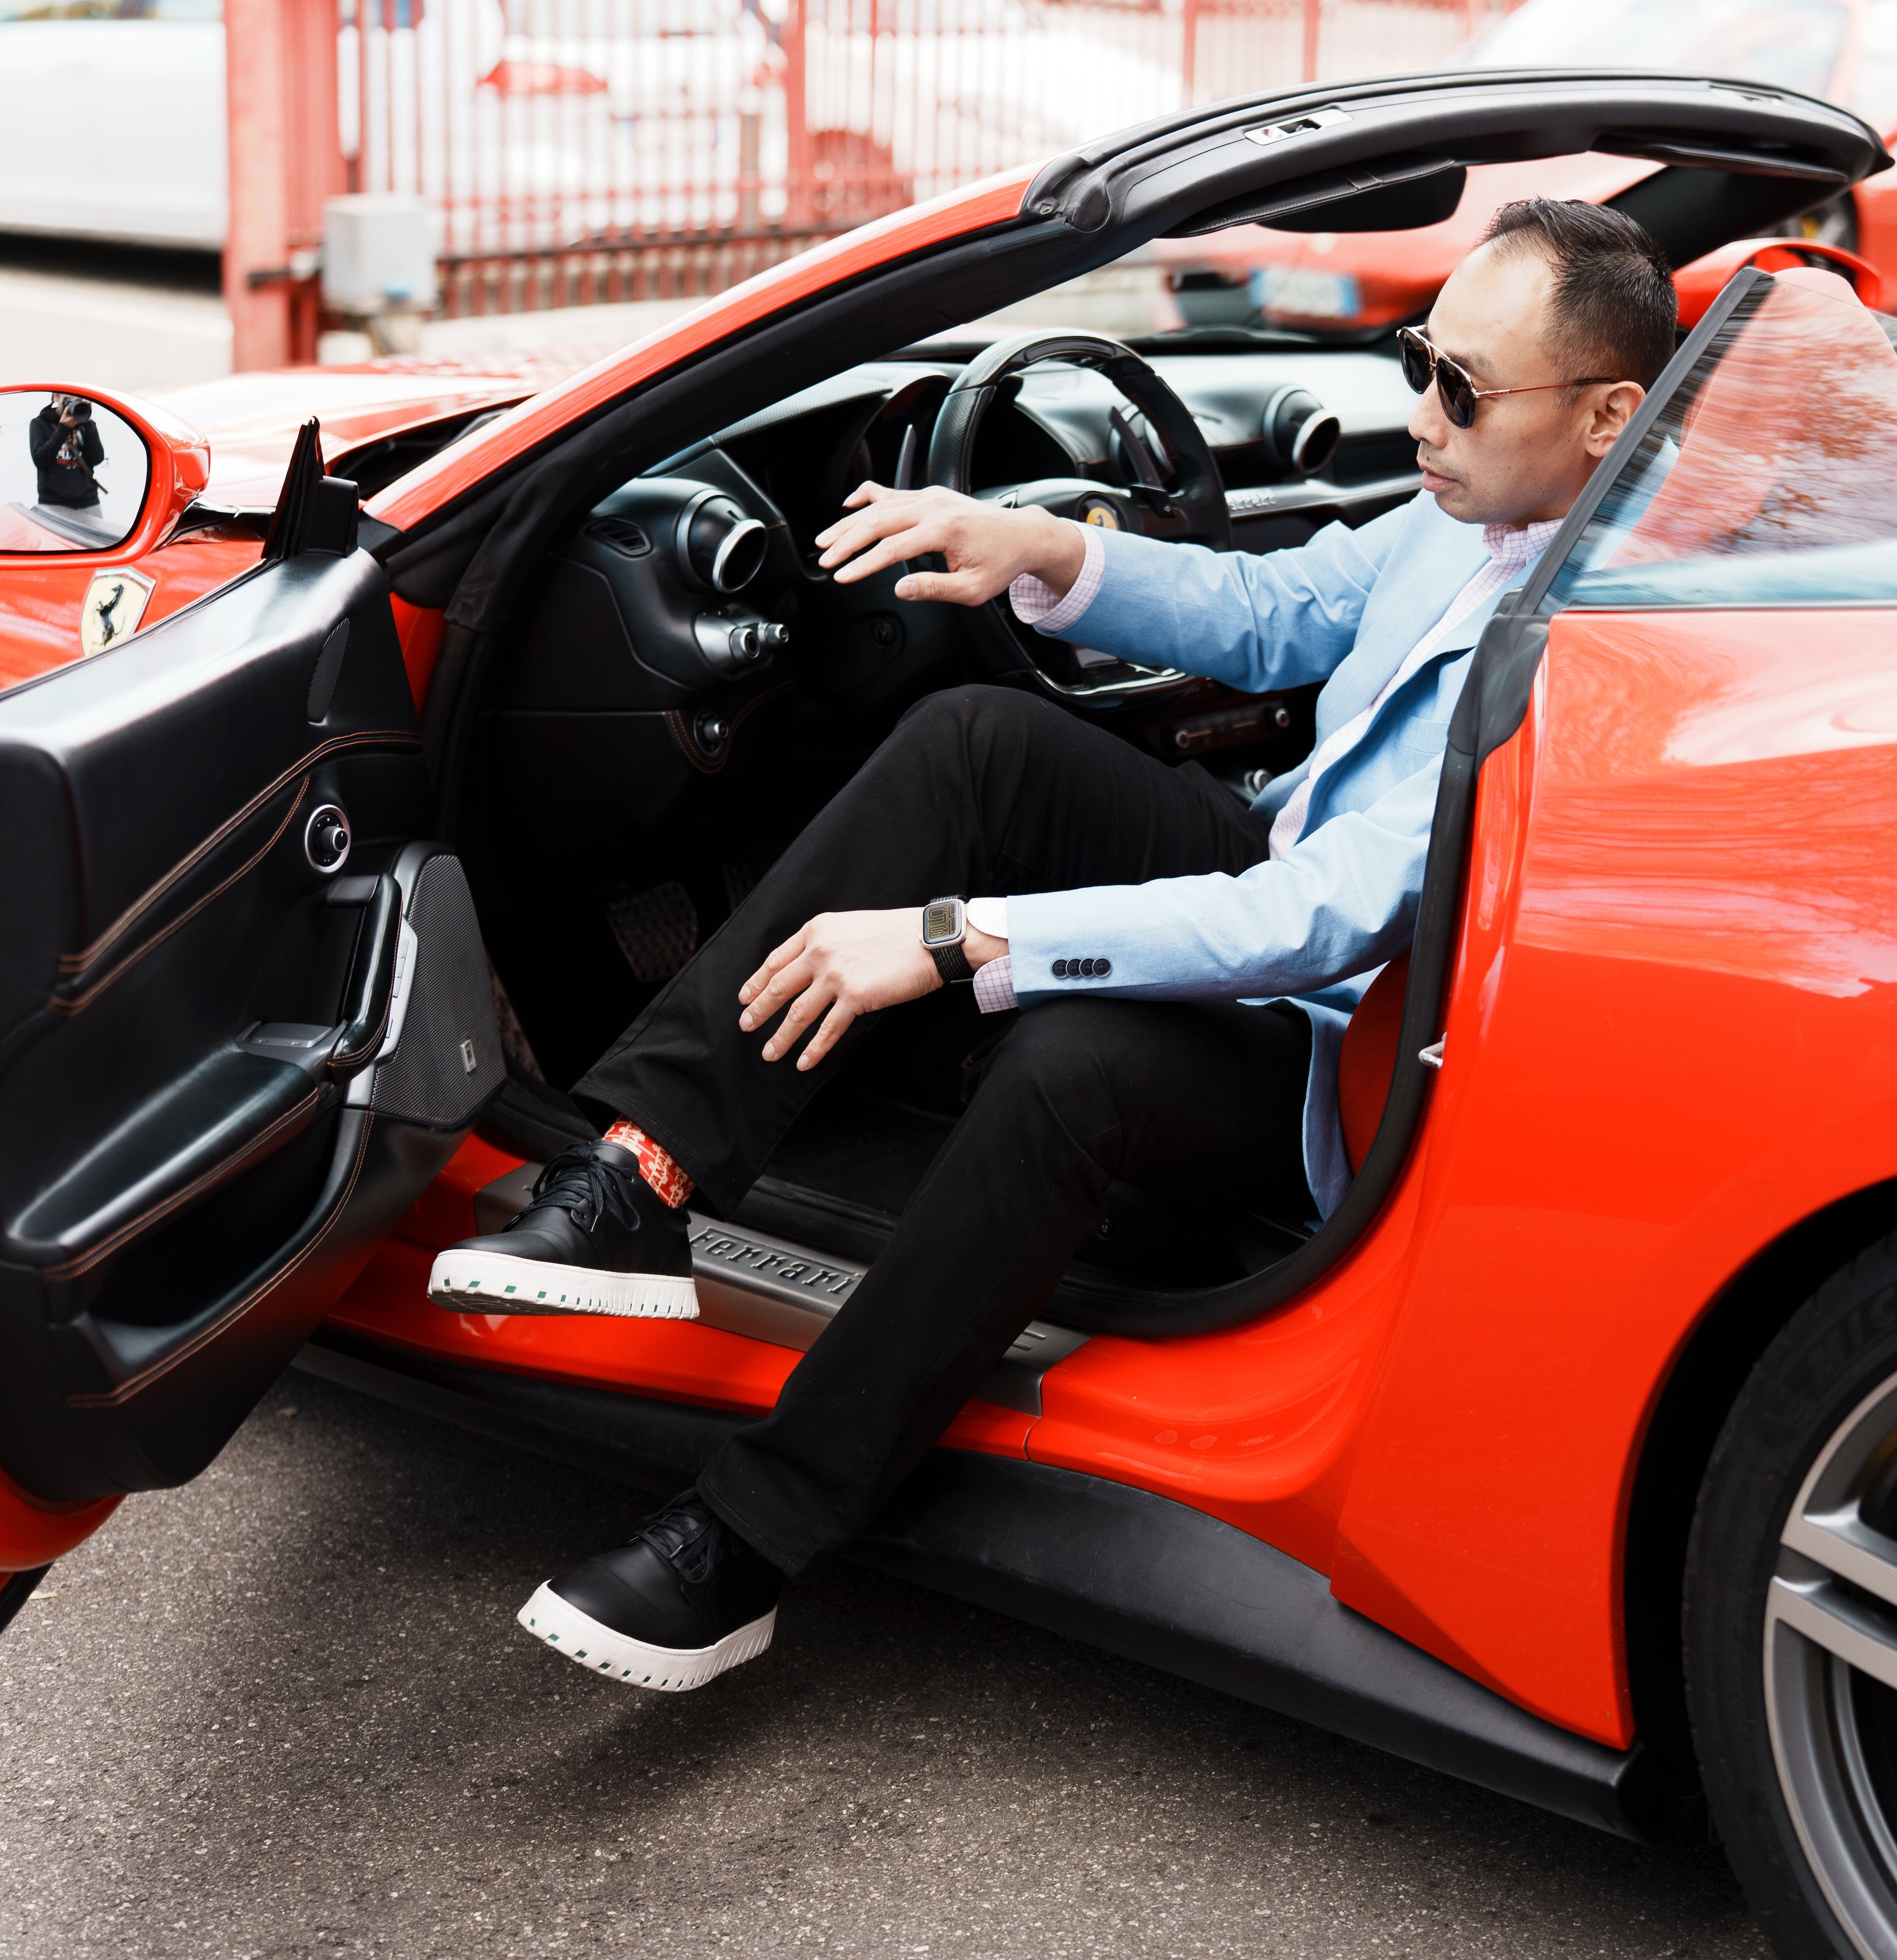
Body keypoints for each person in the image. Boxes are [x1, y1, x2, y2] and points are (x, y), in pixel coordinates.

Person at [430, 198, 1676, 1691]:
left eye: (1460, 389)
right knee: (974, 740)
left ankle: (750, 1533)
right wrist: (1029, 538)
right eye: (1418, 359)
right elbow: (1276, 606)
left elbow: (1314, 921)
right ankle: (641, 1175)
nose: (1420, 412)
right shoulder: (1478, 505)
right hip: (1278, 871)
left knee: (1067, 1064)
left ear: (1605, 416)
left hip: (1340, 1045)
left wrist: (956, 940)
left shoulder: (1598, 634)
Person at [30, 395, 103, 513]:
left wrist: (88, 420)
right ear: (56, 397)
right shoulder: (40, 423)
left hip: (89, 503)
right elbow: (40, 461)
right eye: (69, 400)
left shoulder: (86, 424)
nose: (74, 404)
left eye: (78, 400)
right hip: (53, 504)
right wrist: (63, 428)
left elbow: (97, 459)